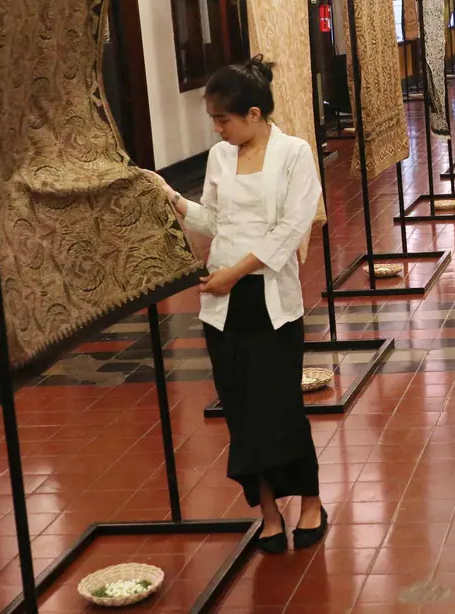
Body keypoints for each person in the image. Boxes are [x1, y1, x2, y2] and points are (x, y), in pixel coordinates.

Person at [145, 56, 327, 554]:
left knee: (281, 408)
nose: (218, 128)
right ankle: (268, 512)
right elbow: (215, 221)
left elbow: (291, 229)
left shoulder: (293, 152)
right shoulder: (221, 157)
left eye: (222, 119)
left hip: (269, 300)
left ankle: (310, 500)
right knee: (243, 412)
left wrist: (235, 272)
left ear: (253, 113)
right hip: (222, 307)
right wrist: (176, 202)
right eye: (214, 120)